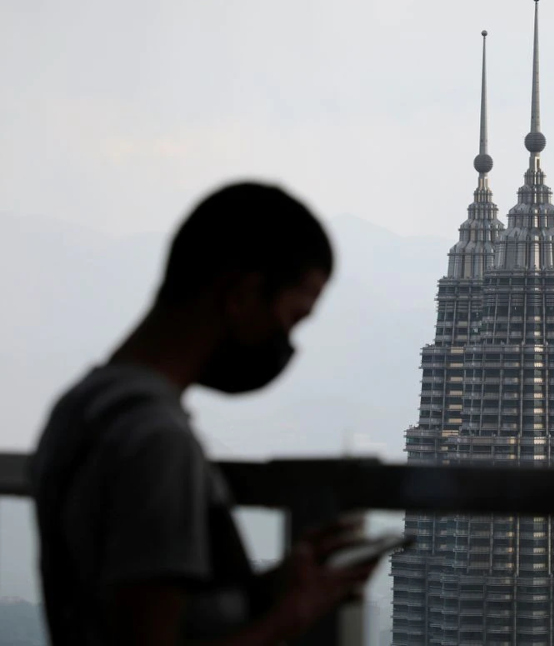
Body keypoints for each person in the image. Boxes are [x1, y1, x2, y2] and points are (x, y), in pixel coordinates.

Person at [30, 181, 374, 645]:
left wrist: (269, 588)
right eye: (291, 318)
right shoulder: (155, 442)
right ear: (244, 296)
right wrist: (293, 616)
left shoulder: (80, 408)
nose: (286, 345)